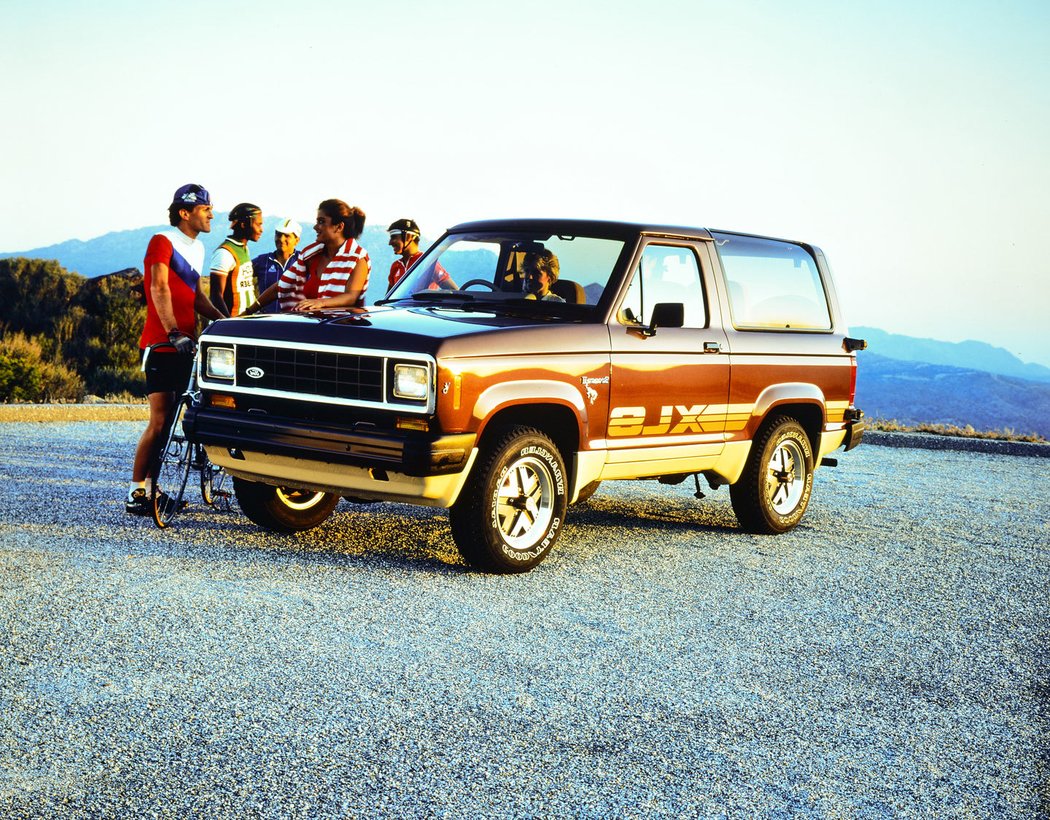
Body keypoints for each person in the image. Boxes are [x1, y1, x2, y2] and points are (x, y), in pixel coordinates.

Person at [126, 184, 227, 515]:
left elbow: (197, 297)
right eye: (204, 208)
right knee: (158, 422)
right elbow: (158, 286)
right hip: (162, 344)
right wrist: (172, 332)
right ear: (185, 213)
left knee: (170, 423)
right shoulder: (162, 241)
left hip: (185, 345)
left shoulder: (197, 248)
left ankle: (153, 491)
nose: (211, 212)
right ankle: (136, 492)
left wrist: (226, 320)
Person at [278, 199, 370, 311]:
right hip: (313, 325)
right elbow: (283, 284)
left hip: (343, 326)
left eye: (321, 222)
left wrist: (320, 303)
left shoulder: (358, 258)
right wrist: (252, 310)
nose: (315, 227)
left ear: (339, 227)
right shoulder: (311, 255)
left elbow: (351, 297)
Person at [209, 202, 263, 317]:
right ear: (243, 224)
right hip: (234, 323)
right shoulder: (224, 253)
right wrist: (228, 323)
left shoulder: (244, 249)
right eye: (258, 225)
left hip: (246, 320)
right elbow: (215, 296)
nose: (261, 229)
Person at [246, 218, 301, 314]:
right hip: (267, 322)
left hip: (296, 321)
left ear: (297, 240)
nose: (281, 239)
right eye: (278, 234)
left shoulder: (304, 260)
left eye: (287, 236)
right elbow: (239, 275)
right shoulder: (262, 261)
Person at [386, 218, 457, 292]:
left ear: (409, 237)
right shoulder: (395, 266)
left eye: (393, 237)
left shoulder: (427, 262)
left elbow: (454, 290)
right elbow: (387, 301)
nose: (390, 243)